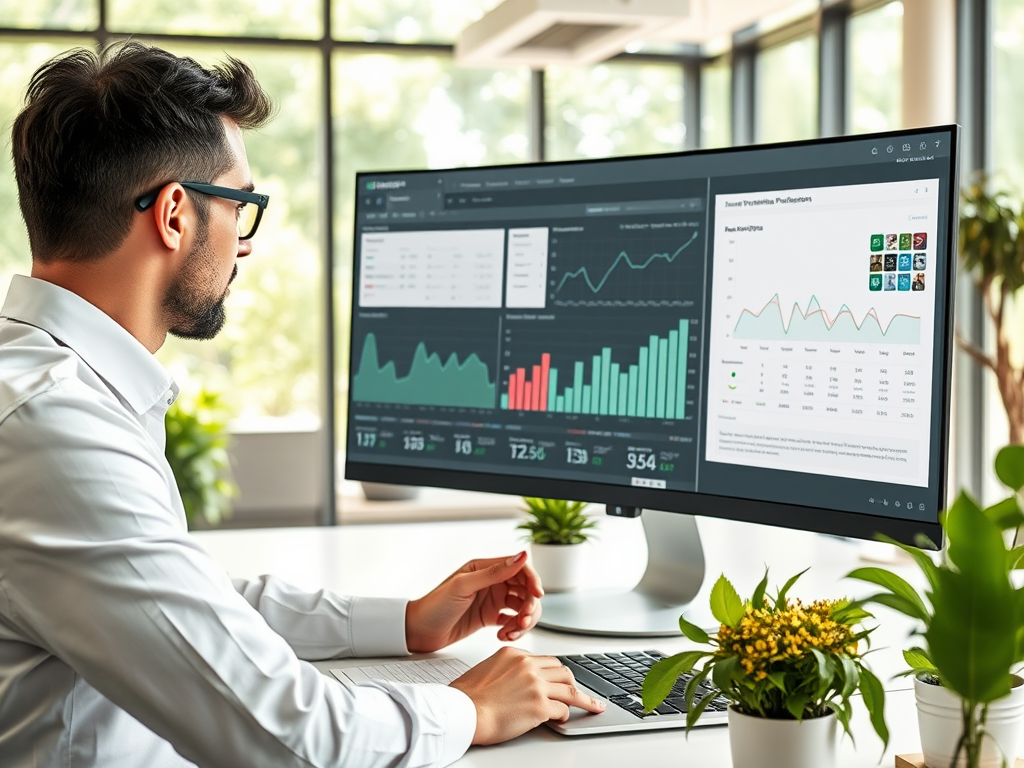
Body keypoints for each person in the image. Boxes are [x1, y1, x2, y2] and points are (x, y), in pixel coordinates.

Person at [0, 43, 604, 768]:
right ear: (173, 215)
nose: (245, 246)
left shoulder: (48, 383)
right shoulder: (52, 427)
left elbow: (176, 601)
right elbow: (288, 738)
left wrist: (406, 623)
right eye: (242, 206)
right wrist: (468, 709)